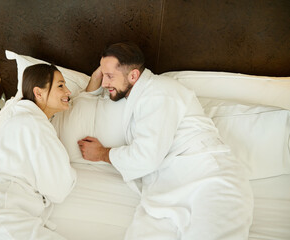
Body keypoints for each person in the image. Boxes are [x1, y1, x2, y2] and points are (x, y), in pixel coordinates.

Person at [78, 42, 253, 240]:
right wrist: (96, 76)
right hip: (164, 191)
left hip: (208, 179)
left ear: (133, 75)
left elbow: (146, 157)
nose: (104, 83)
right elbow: (86, 101)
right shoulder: (131, 93)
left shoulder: (159, 92)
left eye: (109, 76)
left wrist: (103, 153)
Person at [0, 64, 76, 240]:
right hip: (2, 212)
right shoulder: (35, 126)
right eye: (60, 85)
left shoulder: (21, 120)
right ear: (38, 93)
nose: (68, 91)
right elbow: (59, 189)